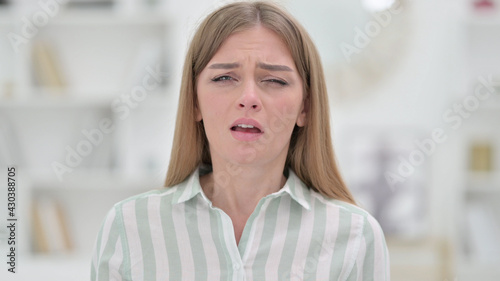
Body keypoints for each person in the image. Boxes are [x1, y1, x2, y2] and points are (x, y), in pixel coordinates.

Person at [91, 1, 390, 280]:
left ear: (306, 107)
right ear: (194, 102)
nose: (248, 98)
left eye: (274, 80)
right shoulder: (127, 229)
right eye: (224, 78)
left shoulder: (355, 237)